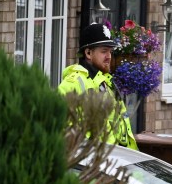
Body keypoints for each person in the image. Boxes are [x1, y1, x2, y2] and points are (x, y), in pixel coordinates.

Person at [57, 22, 138, 150]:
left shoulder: (107, 82)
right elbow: (64, 132)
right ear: (88, 53)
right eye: (104, 51)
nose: (109, 57)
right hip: (94, 164)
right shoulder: (73, 84)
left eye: (110, 52)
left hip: (119, 160)